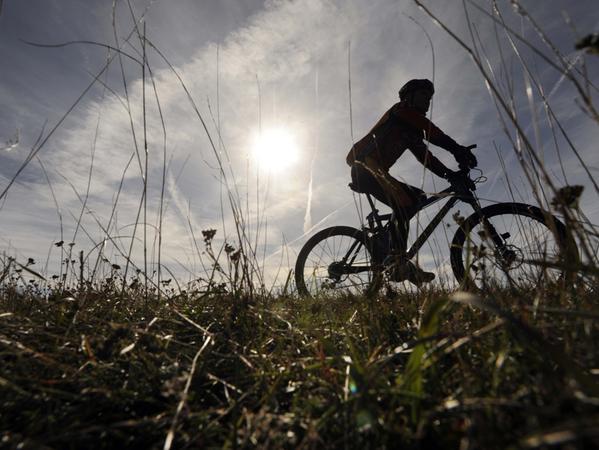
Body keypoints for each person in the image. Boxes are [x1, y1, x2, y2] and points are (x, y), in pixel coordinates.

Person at [346, 78, 477, 285]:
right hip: (365, 167)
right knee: (404, 201)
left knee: (417, 197)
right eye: (424, 95)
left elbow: (427, 158)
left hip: (376, 171)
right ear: (409, 96)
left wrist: (450, 175)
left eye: (430, 97)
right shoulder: (400, 112)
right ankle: (398, 260)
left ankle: (390, 249)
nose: (428, 100)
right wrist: (457, 150)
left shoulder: (410, 131)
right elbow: (432, 132)